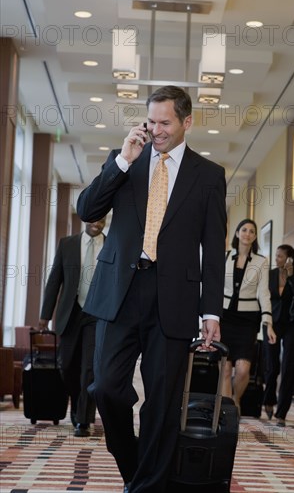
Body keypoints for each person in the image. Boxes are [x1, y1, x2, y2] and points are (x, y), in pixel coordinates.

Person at [76, 85, 227, 493]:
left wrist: (210, 311)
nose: (156, 131)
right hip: (119, 294)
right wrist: (123, 160)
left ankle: (146, 488)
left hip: (174, 301)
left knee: (161, 406)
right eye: (151, 121)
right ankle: (137, 473)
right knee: (106, 387)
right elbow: (88, 210)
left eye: (165, 123)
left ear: (187, 122)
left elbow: (214, 250)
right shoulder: (125, 161)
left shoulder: (209, 176)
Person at [39, 217, 106, 437]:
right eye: (95, 218)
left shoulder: (111, 244)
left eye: (103, 219)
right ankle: (78, 404)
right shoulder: (67, 244)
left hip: (97, 314)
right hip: (70, 313)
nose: (98, 223)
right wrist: (44, 316)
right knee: (66, 366)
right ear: (86, 218)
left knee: (89, 368)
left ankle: (83, 421)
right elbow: (54, 280)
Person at [221, 218, 276, 410]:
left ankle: (236, 399)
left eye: (251, 231)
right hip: (225, 316)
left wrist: (268, 322)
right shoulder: (225, 257)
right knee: (225, 368)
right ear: (237, 233)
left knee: (243, 369)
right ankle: (228, 409)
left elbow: (264, 292)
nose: (247, 233)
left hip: (247, 320)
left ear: (254, 236)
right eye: (243, 229)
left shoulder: (261, 262)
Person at [262, 244, 294, 427]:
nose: (277, 259)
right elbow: (264, 297)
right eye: (276, 255)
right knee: (272, 365)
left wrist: (291, 275)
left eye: (280, 256)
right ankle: (269, 400)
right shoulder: (270, 275)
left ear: (289, 258)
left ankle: (282, 413)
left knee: (288, 365)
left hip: (290, 324)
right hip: (271, 322)